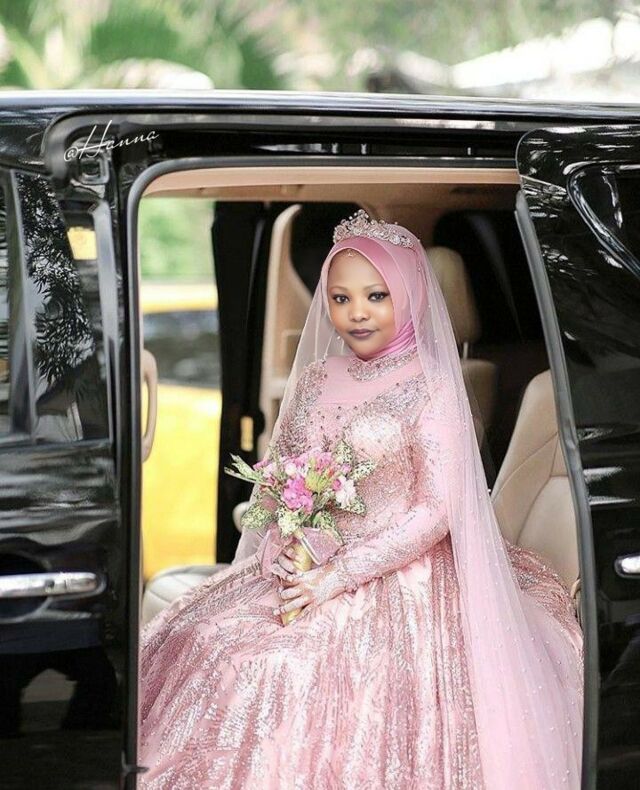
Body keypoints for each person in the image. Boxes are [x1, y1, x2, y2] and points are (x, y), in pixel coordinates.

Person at [138, 210, 583, 789]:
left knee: (285, 666)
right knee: (204, 638)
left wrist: (337, 575)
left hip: (400, 569)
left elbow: (436, 511)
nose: (357, 313)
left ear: (410, 295)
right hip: (308, 558)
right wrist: (282, 541)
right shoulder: (317, 378)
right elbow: (280, 472)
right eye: (341, 298)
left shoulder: (433, 385)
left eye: (376, 295)